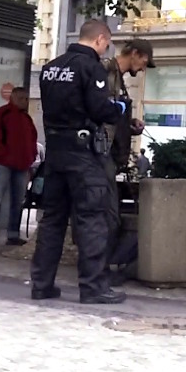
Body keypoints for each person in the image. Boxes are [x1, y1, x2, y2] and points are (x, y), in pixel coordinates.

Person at [30, 19, 128, 305]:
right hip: (83, 154)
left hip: (55, 153)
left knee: (52, 220)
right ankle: (93, 287)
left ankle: (41, 284)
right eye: (106, 44)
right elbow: (99, 110)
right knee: (91, 219)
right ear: (99, 39)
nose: (106, 49)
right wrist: (118, 108)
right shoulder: (91, 68)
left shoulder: (50, 68)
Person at [101, 41, 153, 279]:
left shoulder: (118, 79)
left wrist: (129, 124)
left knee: (110, 216)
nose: (142, 68)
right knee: (108, 216)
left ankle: (101, 269)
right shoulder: (105, 73)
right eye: (143, 61)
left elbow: (112, 115)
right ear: (134, 54)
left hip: (111, 156)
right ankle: (99, 271)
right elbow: (101, 113)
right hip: (103, 155)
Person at [0, 87, 38, 247]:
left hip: (21, 164)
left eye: (26, 98)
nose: (25, 101)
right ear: (13, 98)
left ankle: (13, 235)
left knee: (18, 202)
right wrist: (2, 154)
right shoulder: (1, 114)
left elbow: (32, 139)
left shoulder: (26, 118)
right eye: (21, 98)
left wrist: (31, 157)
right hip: (2, 164)